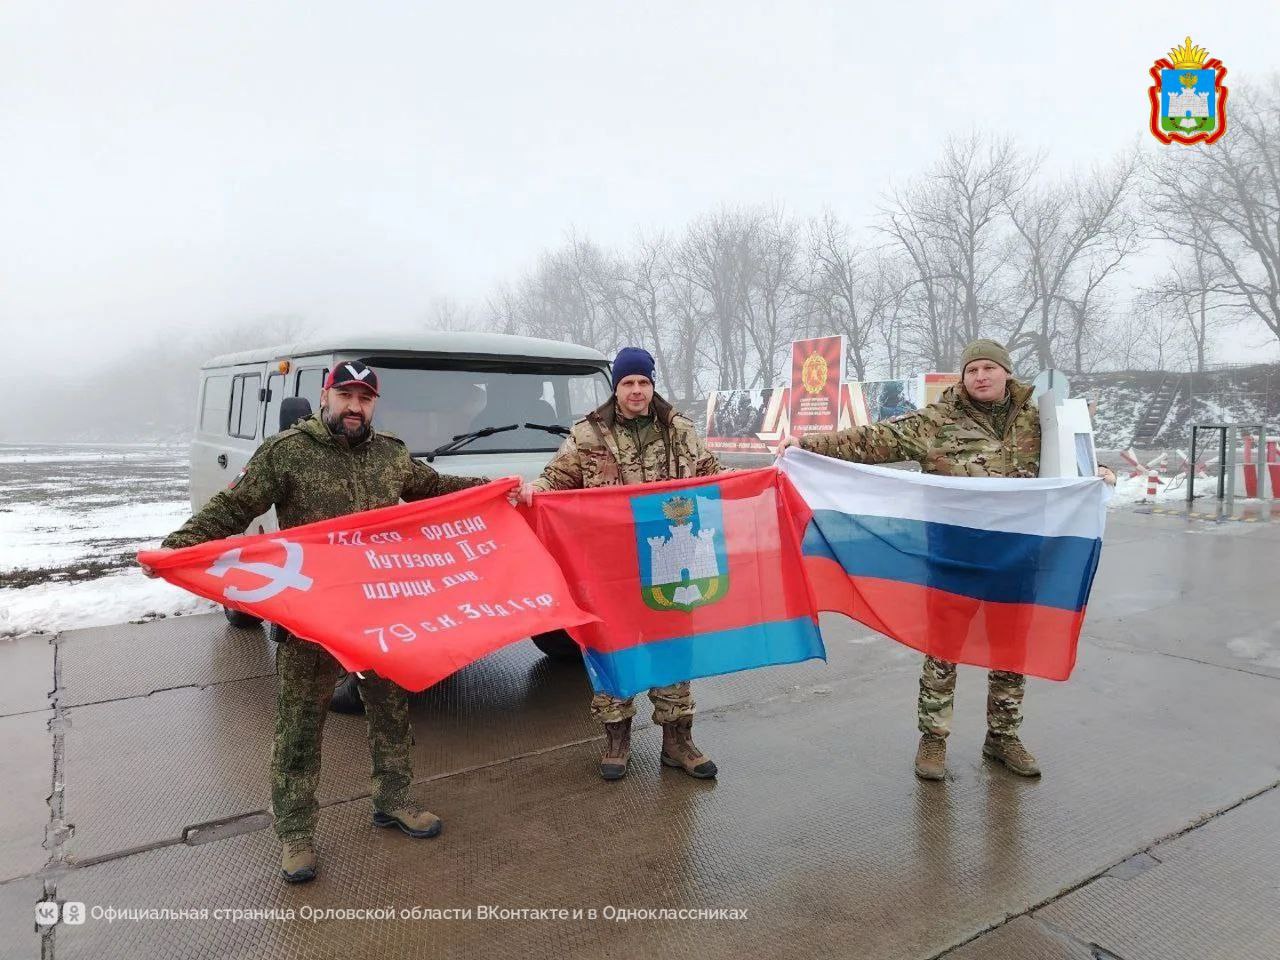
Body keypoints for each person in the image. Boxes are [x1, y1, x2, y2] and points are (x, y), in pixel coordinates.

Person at [143, 361, 493, 883]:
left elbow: (436, 487)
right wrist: (177, 549)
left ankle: (393, 799)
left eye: (365, 399)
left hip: (375, 614)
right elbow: (232, 507)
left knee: (391, 713)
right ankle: (296, 832)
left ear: (374, 405)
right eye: (346, 395)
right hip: (311, 618)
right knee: (300, 727)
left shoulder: (390, 454)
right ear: (325, 396)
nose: (355, 407)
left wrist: (500, 489)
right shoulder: (287, 452)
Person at [779, 339, 1115, 782]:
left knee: (1011, 648)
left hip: (1018, 556)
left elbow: (1071, 460)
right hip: (953, 556)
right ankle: (933, 738)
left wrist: (1098, 472)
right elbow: (873, 439)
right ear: (963, 376)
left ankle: (1003, 736)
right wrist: (806, 445)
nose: (980, 376)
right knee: (943, 648)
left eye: (988, 368)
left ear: (1006, 372)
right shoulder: (938, 421)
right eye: (972, 369)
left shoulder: (1039, 418)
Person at [518, 347, 721, 782]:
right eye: (628, 382)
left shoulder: (681, 431)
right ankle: (617, 739)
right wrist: (534, 489)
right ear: (616, 387)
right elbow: (556, 478)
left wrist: (761, 480)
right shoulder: (588, 434)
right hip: (610, 564)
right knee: (611, 646)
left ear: (652, 385)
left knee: (673, 647)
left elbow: (714, 474)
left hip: (671, 560)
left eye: (643, 382)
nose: (636, 390)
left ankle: (677, 741)